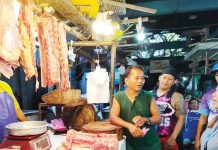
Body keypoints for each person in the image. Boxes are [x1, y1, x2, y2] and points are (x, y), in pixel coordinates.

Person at [110, 65, 161, 150]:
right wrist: (129, 126)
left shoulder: (148, 96)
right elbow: (112, 117)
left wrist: (146, 119)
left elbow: (158, 118)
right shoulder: (119, 96)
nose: (140, 81)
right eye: (136, 78)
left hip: (150, 144)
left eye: (142, 78)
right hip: (129, 144)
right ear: (127, 81)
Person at [152, 65, 186, 150]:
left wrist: (173, 137)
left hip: (169, 138)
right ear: (159, 78)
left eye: (170, 79)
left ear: (174, 81)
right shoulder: (149, 95)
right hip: (151, 138)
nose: (166, 81)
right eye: (164, 77)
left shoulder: (177, 97)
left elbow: (181, 119)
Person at [195, 63, 218, 150]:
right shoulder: (208, 95)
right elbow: (203, 118)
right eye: (217, 75)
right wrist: (197, 139)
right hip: (211, 132)